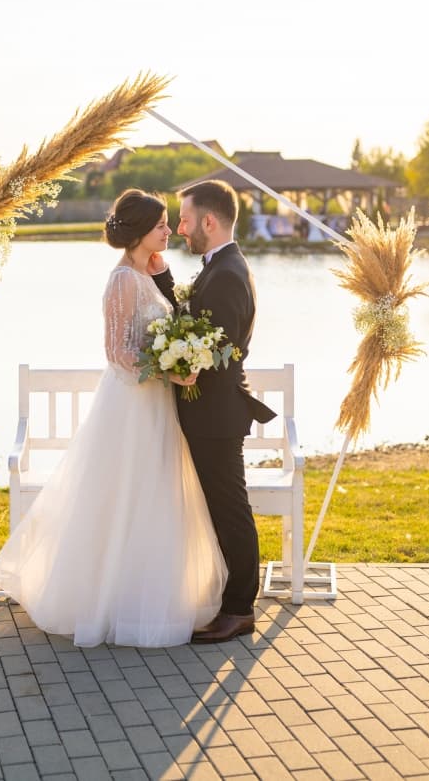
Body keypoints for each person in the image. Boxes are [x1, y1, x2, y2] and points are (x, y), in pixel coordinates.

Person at [0, 188, 227, 648]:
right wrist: (169, 370)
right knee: (124, 497)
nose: (167, 229)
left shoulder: (147, 272)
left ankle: (151, 595)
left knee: (155, 497)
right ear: (139, 231)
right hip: (131, 406)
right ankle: (110, 603)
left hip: (154, 405)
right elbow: (117, 352)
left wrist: (163, 286)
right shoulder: (121, 281)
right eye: (160, 224)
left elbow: (169, 322)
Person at [152, 180, 276, 644]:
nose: (180, 228)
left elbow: (217, 348)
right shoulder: (219, 267)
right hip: (212, 414)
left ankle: (241, 608)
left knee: (230, 509)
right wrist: (163, 280)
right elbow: (196, 324)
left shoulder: (226, 273)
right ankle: (231, 598)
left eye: (184, 219)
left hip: (217, 416)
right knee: (222, 507)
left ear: (208, 220)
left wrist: (181, 366)